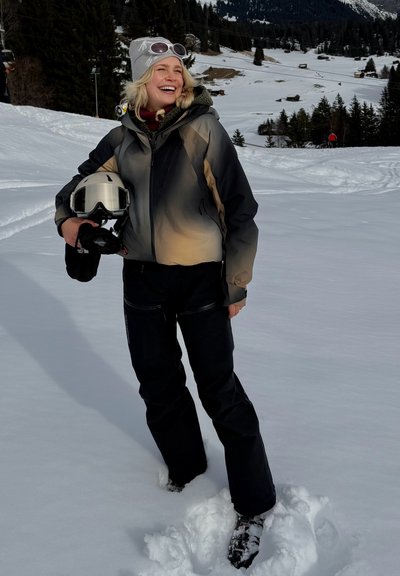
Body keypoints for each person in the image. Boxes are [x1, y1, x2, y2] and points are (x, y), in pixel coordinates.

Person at [55, 36, 276, 569]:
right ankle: (188, 473)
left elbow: (241, 212)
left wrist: (236, 283)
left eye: (178, 67)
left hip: (202, 280)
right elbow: (69, 195)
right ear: (140, 80)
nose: (171, 75)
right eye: (160, 69)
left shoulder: (204, 131)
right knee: (157, 382)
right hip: (142, 280)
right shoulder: (120, 138)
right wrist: (75, 227)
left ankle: (254, 504)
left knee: (219, 390)